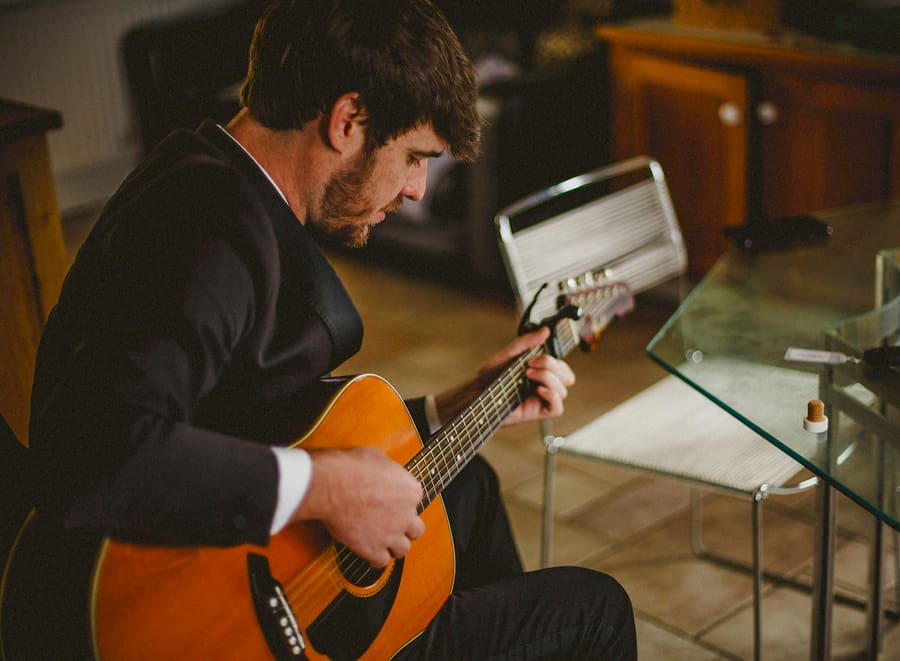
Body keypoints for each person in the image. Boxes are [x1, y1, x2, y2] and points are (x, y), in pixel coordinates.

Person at [26, 0, 636, 658]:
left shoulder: (216, 181)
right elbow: (97, 451)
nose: (415, 190)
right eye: (413, 156)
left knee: (473, 487)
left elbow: (252, 421)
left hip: (261, 561)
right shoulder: (205, 227)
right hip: (223, 625)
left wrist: (445, 407)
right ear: (348, 120)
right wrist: (328, 487)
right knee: (595, 609)